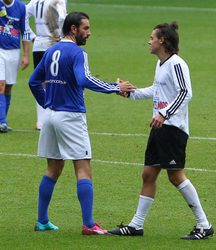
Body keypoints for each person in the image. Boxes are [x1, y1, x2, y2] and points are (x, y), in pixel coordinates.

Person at [28, 12, 135, 235]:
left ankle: (42, 220)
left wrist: (47, 103)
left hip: (50, 117)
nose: (89, 33)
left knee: (53, 168)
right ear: (74, 29)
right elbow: (84, 79)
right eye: (86, 28)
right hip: (71, 116)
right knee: (83, 168)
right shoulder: (78, 52)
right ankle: (88, 224)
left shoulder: (50, 51)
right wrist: (116, 88)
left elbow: (33, 81)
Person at [109, 22, 214, 240]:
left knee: (175, 176)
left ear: (162, 41)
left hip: (172, 128)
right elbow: (157, 90)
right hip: (160, 127)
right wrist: (131, 93)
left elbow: (186, 93)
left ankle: (204, 225)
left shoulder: (177, 64)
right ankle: (136, 225)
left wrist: (164, 114)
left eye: (152, 37)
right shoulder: (161, 64)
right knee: (148, 174)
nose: (149, 41)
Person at [26, 0, 67, 130]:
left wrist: (32, 36)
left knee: (41, 82)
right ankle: (57, 116)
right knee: (57, 80)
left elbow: (23, 17)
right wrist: (62, 35)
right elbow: (62, 17)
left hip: (38, 44)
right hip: (55, 44)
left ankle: (41, 121)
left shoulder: (35, 1)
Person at [0, 0, 31, 132]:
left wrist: (25, 55)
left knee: (8, 87)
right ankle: (2, 122)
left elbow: (26, 32)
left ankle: (3, 121)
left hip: (14, 52)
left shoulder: (22, 8)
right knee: (0, 84)